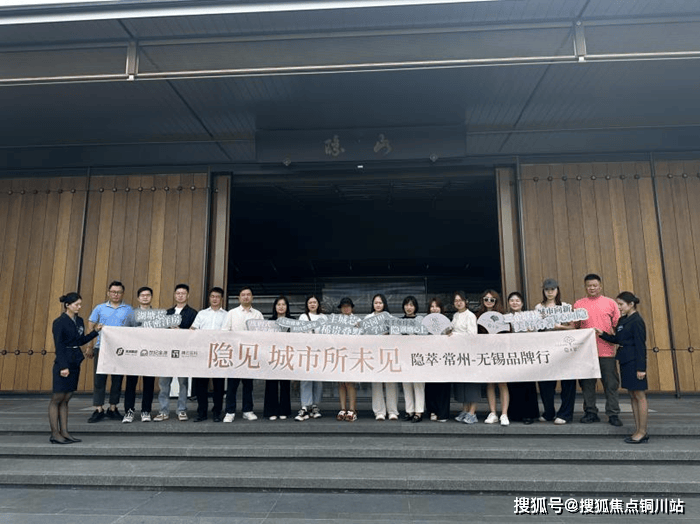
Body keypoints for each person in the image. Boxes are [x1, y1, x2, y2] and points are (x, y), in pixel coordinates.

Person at [596, 292, 648, 443]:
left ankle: (642, 431)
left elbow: (640, 345)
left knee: (639, 396)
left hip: (634, 362)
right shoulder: (623, 319)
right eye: (618, 304)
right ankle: (637, 429)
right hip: (625, 361)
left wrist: (641, 368)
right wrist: (602, 334)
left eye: (621, 304)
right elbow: (618, 339)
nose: (619, 307)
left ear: (631, 304)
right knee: (633, 395)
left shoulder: (637, 320)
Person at [49, 293, 102, 443]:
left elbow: (80, 340)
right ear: (67, 305)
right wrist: (63, 366)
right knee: (57, 397)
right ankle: (55, 433)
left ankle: (65, 432)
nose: (79, 307)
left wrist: (95, 332)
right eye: (76, 304)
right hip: (64, 361)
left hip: (75, 360)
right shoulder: (59, 322)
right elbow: (59, 345)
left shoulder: (79, 321)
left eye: (80, 304)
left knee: (67, 398)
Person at [574, 274, 622, 426]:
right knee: (587, 384)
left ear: (600, 286)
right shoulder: (578, 304)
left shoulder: (610, 303)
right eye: (589, 285)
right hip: (585, 352)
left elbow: (618, 325)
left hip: (606, 351)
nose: (592, 288)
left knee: (610, 384)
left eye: (595, 285)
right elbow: (574, 326)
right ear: (585, 287)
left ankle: (613, 414)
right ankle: (590, 412)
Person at [86, 280, 133, 423]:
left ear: (122, 294)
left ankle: (113, 408)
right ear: (108, 293)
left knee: (117, 380)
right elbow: (90, 327)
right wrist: (89, 346)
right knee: (99, 380)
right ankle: (98, 409)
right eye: (113, 292)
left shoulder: (129, 309)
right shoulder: (99, 308)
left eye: (118, 292)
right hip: (101, 348)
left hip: (119, 350)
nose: (116, 294)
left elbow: (133, 329)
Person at [535, 279, 576, 425]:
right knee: (545, 381)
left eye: (552, 289)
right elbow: (535, 327)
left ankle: (565, 413)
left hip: (563, 348)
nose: (550, 292)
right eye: (547, 289)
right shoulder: (539, 307)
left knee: (568, 381)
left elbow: (573, 327)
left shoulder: (565, 307)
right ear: (543, 291)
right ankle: (549, 412)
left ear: (557, 290)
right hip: (546, 347)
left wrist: (560, 327)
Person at [155, 284, 198, 422]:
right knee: (164, 383)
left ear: (188, 295)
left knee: (183, 383)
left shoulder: (193, 313)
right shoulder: (167, 313)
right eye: (178, 293)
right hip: (167, 351)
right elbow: (159, 331)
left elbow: (195, 333)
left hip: (183, 352)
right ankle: (163, 410)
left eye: (183, 293)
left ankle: (182, 410)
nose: (180, 296)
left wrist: (181, 332)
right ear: (174, 295)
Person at [221, 286, 263, 422]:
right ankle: (230, 412)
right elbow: (225, 331)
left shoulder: (257, 314)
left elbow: (263, 334)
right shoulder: (232, 313)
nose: (246, 297)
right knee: (232, 385)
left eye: (248, 294)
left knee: (248, 385)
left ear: (252, 297)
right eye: (243, 294)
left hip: (250, 355)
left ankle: (247, 410)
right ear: (239, 298)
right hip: (234, 354)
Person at [191, 287, 228, 422]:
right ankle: (202, 412)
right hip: (203, 353)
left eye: (217, 297)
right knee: (201, 385)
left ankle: (217, 412)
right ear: (209, 298)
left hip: (219, 353)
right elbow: (193, 329)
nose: (215, 299)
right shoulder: (202, 314)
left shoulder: (227, 315)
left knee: (218, 385)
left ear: (221, 299)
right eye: (212, 296)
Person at [122, 286, 157, 423]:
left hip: (151, 354)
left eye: (148, 295)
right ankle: (129, 411)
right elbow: (124, 333)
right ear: (138, 298)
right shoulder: (131, 314)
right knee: (131, 383)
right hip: (134, 354)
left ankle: (146, 411)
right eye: (142, 295)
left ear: (151, 297)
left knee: (149, 384)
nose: (145, 297)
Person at [504, 291, 540, 425]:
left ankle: (529, 415)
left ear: (522, 303)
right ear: (508, 303)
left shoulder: (529, 316)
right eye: (512, 300)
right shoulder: (505, 318)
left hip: (526, 353)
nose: (514, 303)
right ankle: (515, 413)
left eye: (517, 300)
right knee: (513, 384)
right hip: (510, 355)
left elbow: (536, 333)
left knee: (527, 384)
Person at [476, 289, 510, 426]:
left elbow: (508, 334)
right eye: (486, 299)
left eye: (492, 299)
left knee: (502, 383)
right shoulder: (478, 316)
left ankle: (504, 414)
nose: (489, 302)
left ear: (496, 301)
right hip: (485, 353)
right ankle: (493, 413)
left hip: (500, 353)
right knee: (490, 383)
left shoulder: (503, 316)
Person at [367, 293, 399, 421]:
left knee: (391, 383)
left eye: (380, 303)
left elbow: (397, 336)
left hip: (388, 354)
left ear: (384, 304)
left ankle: (392, 411)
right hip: (374, 355)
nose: (378, 305)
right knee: (376, 383)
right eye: (376, 303)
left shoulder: (390, 318)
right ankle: (379, 411)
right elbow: (363, 337)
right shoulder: (368, 318)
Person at [295, 294, 326, 421]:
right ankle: (305, 406)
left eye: (314, 302)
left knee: (318, 380)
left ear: (318, 304)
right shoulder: (303, 317)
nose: (312, 304)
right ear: (307, 305)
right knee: (306, 379)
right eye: (310, 302)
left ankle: (315, 406)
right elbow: (299, 333)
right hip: (306, 351)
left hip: (320, 352)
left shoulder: (324, 317)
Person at [451, 291, 480, 424]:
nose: (458, 303)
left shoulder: (470, 316)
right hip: (458, 353)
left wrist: (455, 335)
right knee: (462, 383)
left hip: (470, 353)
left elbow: (472, 335)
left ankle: (472, 412)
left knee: (471, 383)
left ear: (466, 301)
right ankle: (465, 410)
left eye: (461, 300)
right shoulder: (455, 315)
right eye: (456, 301)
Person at [264, 296, 293, 420]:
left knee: (285, 384)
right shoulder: (269, 322)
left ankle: (284, 410)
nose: (281, 307)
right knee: (271, 383)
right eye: (278, 304)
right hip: (272, 355)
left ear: (287, 307)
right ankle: (271, 411)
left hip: (287, 355)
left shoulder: (293, 321)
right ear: (275, 307)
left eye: (283, 304)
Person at [424, 297, 451, 422]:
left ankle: (443, 413)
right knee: (430, 385)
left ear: (441, 308)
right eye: (432, 306)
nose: (434, 309)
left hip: (444, 358)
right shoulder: (424, 322)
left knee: (443, 385)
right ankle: (432, 411)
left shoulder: (447, 322)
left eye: (437, 306)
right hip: (429, 358)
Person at [401, 295, 425, 423]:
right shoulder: (398, 321)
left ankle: (418, 412)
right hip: (404, 357)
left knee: (418, 384)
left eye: (411, 305)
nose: (408, 307)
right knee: (406, 384)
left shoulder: (421, 320)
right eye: (406, 305)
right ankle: (409, 411)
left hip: (418, 356)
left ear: (415, 307)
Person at [336, 297, 359, 422]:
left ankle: (352, 409)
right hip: (339, 354)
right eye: (343, 306)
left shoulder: (357, 321)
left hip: (352, 355)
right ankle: (343, 408)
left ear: (352, 308)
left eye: (348, 306)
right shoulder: (335, 321)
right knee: (341, 382)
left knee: (350, 382)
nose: (346, 308)